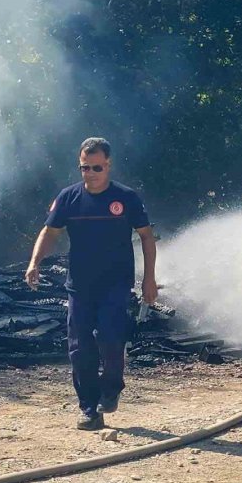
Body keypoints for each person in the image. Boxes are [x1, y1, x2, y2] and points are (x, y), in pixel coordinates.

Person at [25, 137, 157, 430]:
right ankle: (89, 409)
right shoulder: (68, 198)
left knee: (110, 338)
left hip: (116, 283)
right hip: (80, 285)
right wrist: (34, 262)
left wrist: (149, 279)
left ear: (108, 165)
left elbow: (147, 236)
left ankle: (111, 389)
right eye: (85, 168)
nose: (91, 174)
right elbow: (50, 232)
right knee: (79, 347)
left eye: (97, 168)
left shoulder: (126, 198)